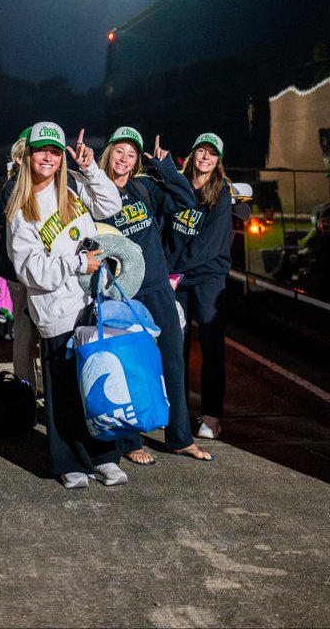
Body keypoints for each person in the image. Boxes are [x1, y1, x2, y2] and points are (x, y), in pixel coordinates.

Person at [6, 122, 125, 489]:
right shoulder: (20, 208)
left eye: (55, 152)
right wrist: (77, 264)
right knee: (65, 393)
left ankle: (104, 457)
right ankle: (69, 461)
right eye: (42, 150)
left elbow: (111, 204)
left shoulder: (72, 190)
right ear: (28, 155)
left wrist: (90, 169)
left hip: (92, 304)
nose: (49, 157)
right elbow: (31, 270)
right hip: (56, 312)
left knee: (98, 388)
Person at [97, 127, 213, 465]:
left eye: (132, 154)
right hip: (123, 292)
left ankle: (179, 438)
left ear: (136, 162)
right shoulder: (97, 193)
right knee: (132, 366)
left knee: (173, 362)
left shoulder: (144, 187)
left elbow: (187, 201)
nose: (124, 159)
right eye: (120, 151)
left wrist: (166, 168)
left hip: (158, 285)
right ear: (109, 153)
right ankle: (132, 441)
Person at [166, 132, 234, 440]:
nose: (206, 157)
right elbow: (165, 229)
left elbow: (207, 246)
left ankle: (212, 416)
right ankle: (176, 412)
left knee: (211, 346)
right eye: (201, 151)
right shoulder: (177, 186)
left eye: (212, 154)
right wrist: (167, 269)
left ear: (218, 161)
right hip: (177, 279)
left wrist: (175, 270)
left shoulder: (222, 193)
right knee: (175, 346)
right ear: (192, 154)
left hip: (208, 278)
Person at [0, 127, 41, 394]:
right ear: (18, 159)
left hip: (45, 269)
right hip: (22, 272)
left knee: (47, 332)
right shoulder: (12, 187)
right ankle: (25, 390)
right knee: (25, 334)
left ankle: (47, 388)